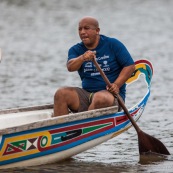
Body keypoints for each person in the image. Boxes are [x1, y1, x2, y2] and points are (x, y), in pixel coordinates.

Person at [53, 16, 135, 117]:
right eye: (80, 29)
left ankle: (83, 125)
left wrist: (116, 85)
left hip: (111, 96)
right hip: (87, 94)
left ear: (97, 31)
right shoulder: (76, 50)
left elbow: (130, 66)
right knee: (61, 94)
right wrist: (82, 58)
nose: (82, 32)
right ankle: (62, 130)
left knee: (100, 97)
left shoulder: (113, 44)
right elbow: (70, 67)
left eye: (86, 28)